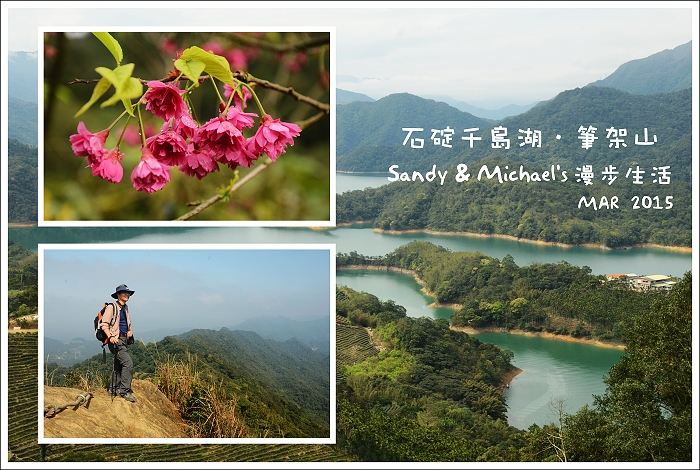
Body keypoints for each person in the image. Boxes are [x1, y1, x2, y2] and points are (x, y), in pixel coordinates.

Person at [100, 284, 136, 402]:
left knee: (119, 365)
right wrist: (110, 337)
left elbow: (125, 323)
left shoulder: (125, 307)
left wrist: (129, 331)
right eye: (124, 293)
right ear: (118, 295)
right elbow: (104, 324)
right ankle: (124, 391)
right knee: (128, 363)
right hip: (115, 340)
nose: (127, 295)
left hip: (124, 340)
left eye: (128, 293)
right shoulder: (112, 307)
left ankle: (113, 388)